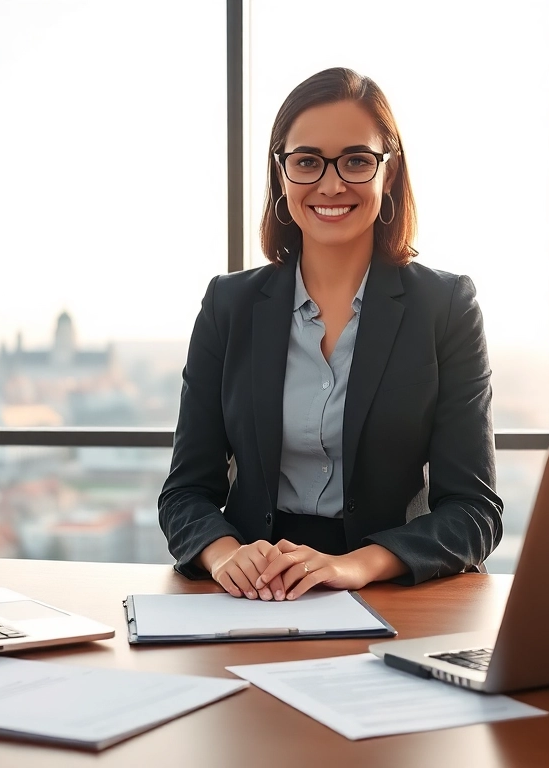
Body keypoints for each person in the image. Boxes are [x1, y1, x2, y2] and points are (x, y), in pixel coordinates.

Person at [158, 67, 501, 601]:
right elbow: (184, 493)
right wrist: (227, 555)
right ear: (281, 174)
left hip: (393, 589)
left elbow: (474, 513)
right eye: (307, 161)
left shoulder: (446, 306)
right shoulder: (229, 305)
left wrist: (356, 566)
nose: (331, 183)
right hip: (254, 593)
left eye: (358, 160)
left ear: (389, 174)